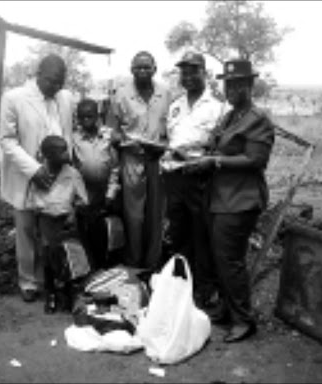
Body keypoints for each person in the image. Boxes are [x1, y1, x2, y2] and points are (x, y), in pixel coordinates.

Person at [184, 59, 275, 342]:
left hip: (240, 200)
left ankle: (243, 320)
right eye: (228, 84)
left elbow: (255, 159)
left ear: (250, 85)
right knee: (219, 258)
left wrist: (215, 162)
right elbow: (214, 146)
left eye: (238, 84)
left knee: (230, 260)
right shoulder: (230, 116)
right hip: (220, 198)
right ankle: (226, 308)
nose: (232, 89)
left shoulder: (258, 118)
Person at [0, 53, 74, 303]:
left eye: (60, 82)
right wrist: (34, 169)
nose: (56, 87)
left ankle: (49, 279)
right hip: (27, 175)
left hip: (57, 176)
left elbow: (68, 134)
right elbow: (7, 140)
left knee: (52, 229)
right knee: (27, 228)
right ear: (38, 73)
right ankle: (28, 282)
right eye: (52, 81)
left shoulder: (65, 98)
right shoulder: (14, 98)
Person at [161, 51, 225, 308]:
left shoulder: (219, 106)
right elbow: (171, 140)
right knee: (178, 235)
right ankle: (181, 287)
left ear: (204, 73)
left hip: (200, 179)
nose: (187, 76)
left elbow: (222, 146)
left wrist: (202, 160)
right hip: (174, 178)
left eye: (193, 71)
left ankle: (204, 290)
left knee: (202, 235)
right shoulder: (175, 106)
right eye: (183, 72)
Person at [107, 51, 172, 270]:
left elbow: (172, 128)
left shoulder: (166, 93)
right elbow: (111, 130)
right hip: (131, 159)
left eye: (147, 67)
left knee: (156, 215)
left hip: (158, 159)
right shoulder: (121, 94)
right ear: (131, 69)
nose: (142, 71)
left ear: (155, 69)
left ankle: (152, 264)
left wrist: (162, 147)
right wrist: (119, 139)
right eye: (138, 67)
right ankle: (134, 262)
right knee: (134, 216)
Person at [26, 135, 89, 313]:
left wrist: (73, 211)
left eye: (65, 148)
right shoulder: (39, 175)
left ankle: (72, 293)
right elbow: (33, 203)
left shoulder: (72, 174)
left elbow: (84, 200)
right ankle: (51, 293)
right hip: (46, 220)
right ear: (48, 155)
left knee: (70, 254)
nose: (66, 153)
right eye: (60, 151)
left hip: (66, 221)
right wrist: (39, 224)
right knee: (49, 255)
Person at [72, 98, 121, 269]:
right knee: (83, 232)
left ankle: (102, 266)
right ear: (77, 118)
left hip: (103, 193)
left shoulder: (107, 136)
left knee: (101, 232)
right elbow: (72, 168)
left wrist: (111, 193)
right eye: (82, 117)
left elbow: (115, 167)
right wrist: (78, 196)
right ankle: (87, 268)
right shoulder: (74, 139)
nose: (86, 121)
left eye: (90, 117)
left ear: (97, 116)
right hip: (83, 193)